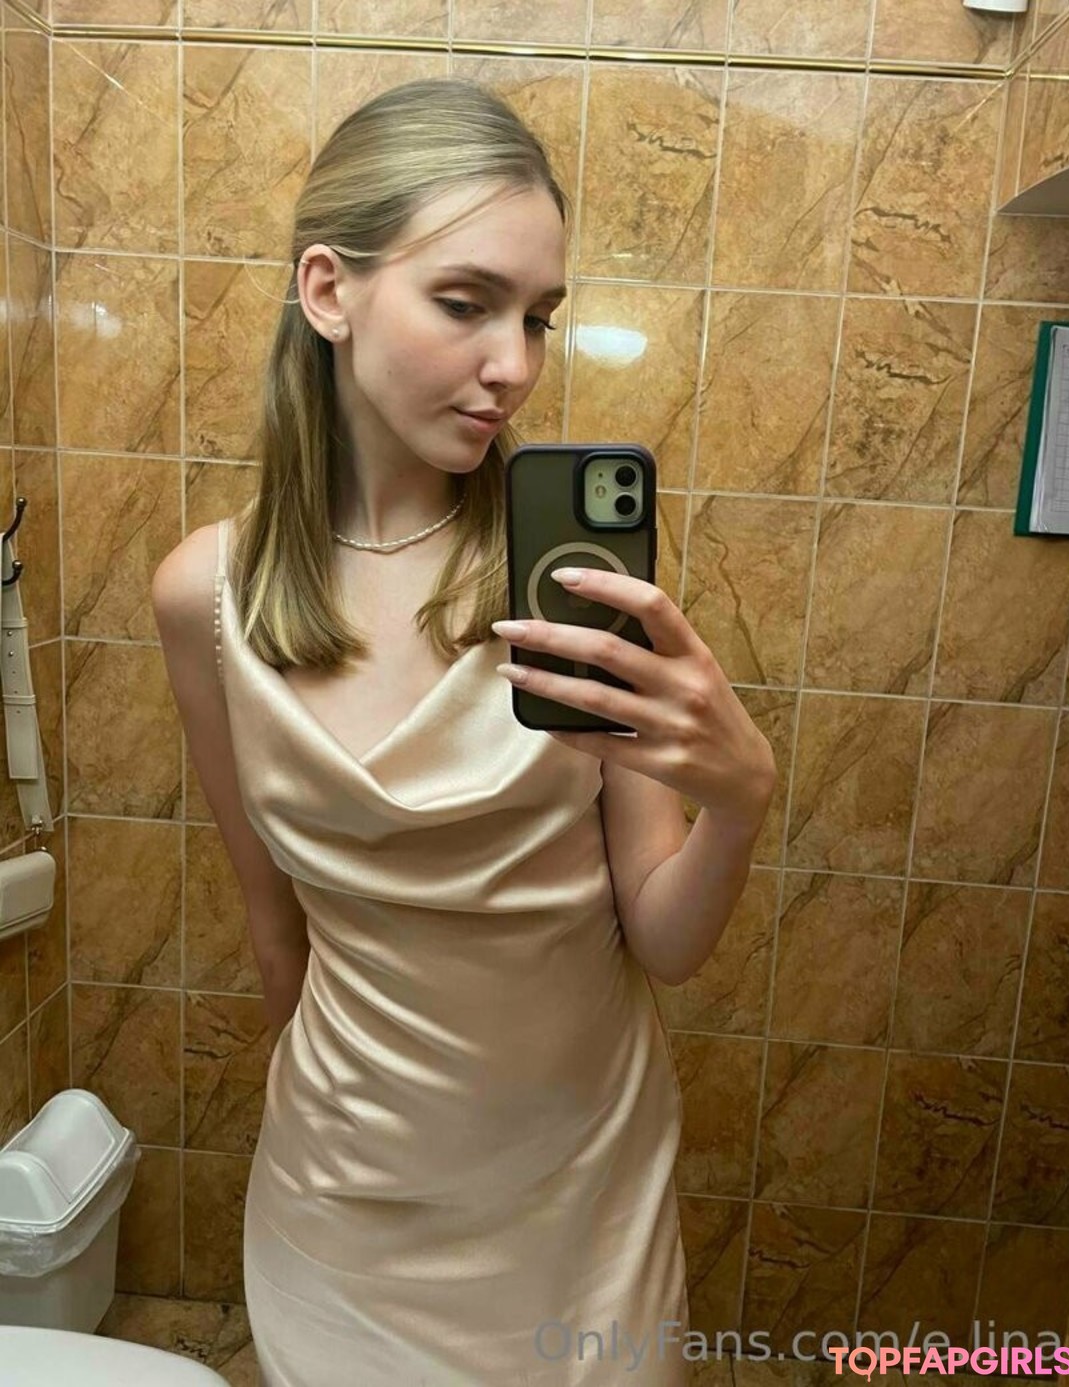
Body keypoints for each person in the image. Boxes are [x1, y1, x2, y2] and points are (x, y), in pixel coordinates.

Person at [152, 76, 776, 1387]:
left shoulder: (571, 585)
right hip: (345, 1208)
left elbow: (665, 943)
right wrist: (334, 1152)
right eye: (466, 302)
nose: (516, 366)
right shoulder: (205, 598)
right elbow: (277, 933)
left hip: (576, 1210)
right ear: (329, 292)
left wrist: (740, 799)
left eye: (538, 317)